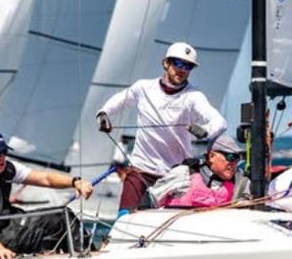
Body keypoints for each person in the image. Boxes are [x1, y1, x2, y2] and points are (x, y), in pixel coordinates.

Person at [96, 42, 227, 213]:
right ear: (166, 63)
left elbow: (220, 122)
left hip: (175, 175)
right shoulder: (144, 87)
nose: (182, 70)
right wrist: (103, 113)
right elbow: (119, 101)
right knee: (124, 219)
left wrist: (206, 131)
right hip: (141, 170)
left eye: (188, 66)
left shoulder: (194, 96)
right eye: (179, 63)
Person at [0, 130, 94, 259]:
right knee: (61, 216)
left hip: (11, 226)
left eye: (4, 152)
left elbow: (44, 178)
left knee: (58, 218)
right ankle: (88, 256)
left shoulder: (7, 168)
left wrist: (75, 182)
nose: (2, 158)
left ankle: (69, 254)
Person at [150, 135, 248, 208]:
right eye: (231, 157)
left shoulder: (239, 180)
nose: (234, 163)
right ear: (211, 156)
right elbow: (151, 198)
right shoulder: (185, 173)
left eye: (237, 158)